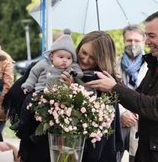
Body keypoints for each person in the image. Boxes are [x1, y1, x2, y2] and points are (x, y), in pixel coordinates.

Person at [88, 11, 158, 162]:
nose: (146, 43)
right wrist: (110, 82)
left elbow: (153, 106)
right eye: (147, 36)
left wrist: (114, 87)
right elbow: (138, 94)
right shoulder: (154, 65)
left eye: (152, 36)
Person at [61, 31, 123, 162]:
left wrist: (73, 89)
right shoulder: (66, 65)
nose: (85, 59)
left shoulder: (105, 82)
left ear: (102, 60)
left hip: (94, 152)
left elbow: (96, 123)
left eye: (93, 57)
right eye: (83, 52)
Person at [10, 33, 83, 135]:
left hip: (57, 96)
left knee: (50, 117)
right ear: (52, 56)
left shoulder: (70, 67)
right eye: (61, 56)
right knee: (28, 103)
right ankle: (22, 122)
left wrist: (75, 74)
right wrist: (28, 85)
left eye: (69, 58)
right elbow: (34, 74)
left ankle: (38, 135)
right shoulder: (44, 63)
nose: (64, 60)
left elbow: (79, 73)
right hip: (40, 91)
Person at [116, 25, 148, 162]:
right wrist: (122, 112)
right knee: (114, 156)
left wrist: (136, 111)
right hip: (118, 121)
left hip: (140, 122)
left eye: (137, 40)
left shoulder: (150, 65)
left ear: (143, 41)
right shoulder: (113, 63)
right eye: (129, 40)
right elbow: (108, 92)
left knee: (136, 157)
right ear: (124, 41)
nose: (133, 44)